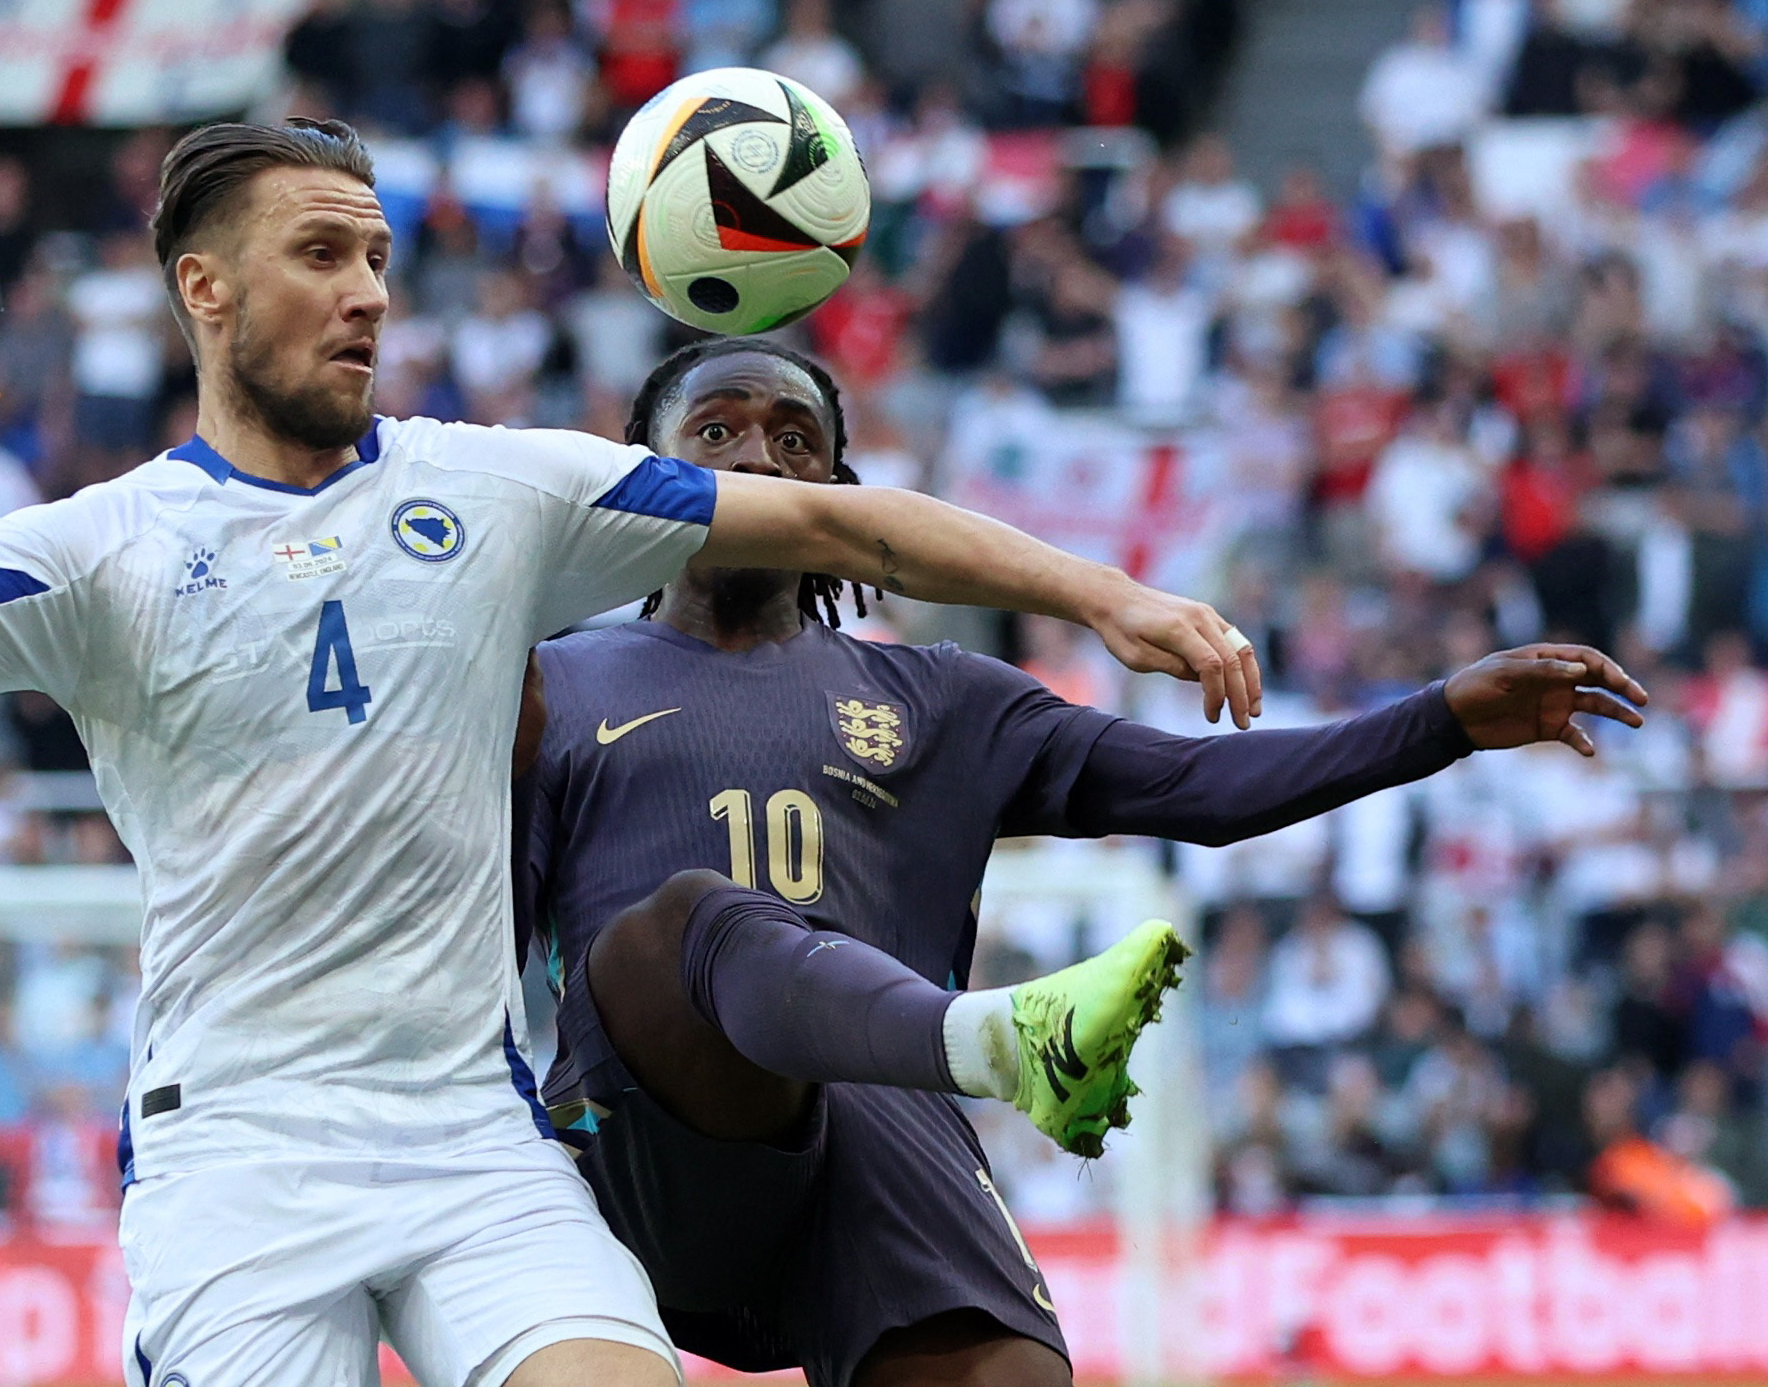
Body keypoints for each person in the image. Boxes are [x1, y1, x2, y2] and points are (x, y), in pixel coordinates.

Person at [0, 120, 1263, 1387]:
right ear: (203, 288)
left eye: (375, 259)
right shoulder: (102, 549)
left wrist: (1106, 595)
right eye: (319, 255)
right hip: (236, 1151)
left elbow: (832, 520)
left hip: (470, 1133)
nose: (365, 293)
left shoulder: (492, 490)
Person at [514, 335, 1650, 1387]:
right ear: (639, 472)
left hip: (879, 1143)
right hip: (647, 1149)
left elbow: (1201, 788)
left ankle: (983, 1053)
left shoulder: (942, 699)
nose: (760, 459)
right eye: (716, 432)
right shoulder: (548, 685)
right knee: (700, 919)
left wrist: (1438, 720)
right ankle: (1000, 1041)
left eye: (796, 441)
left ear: (844, 497)